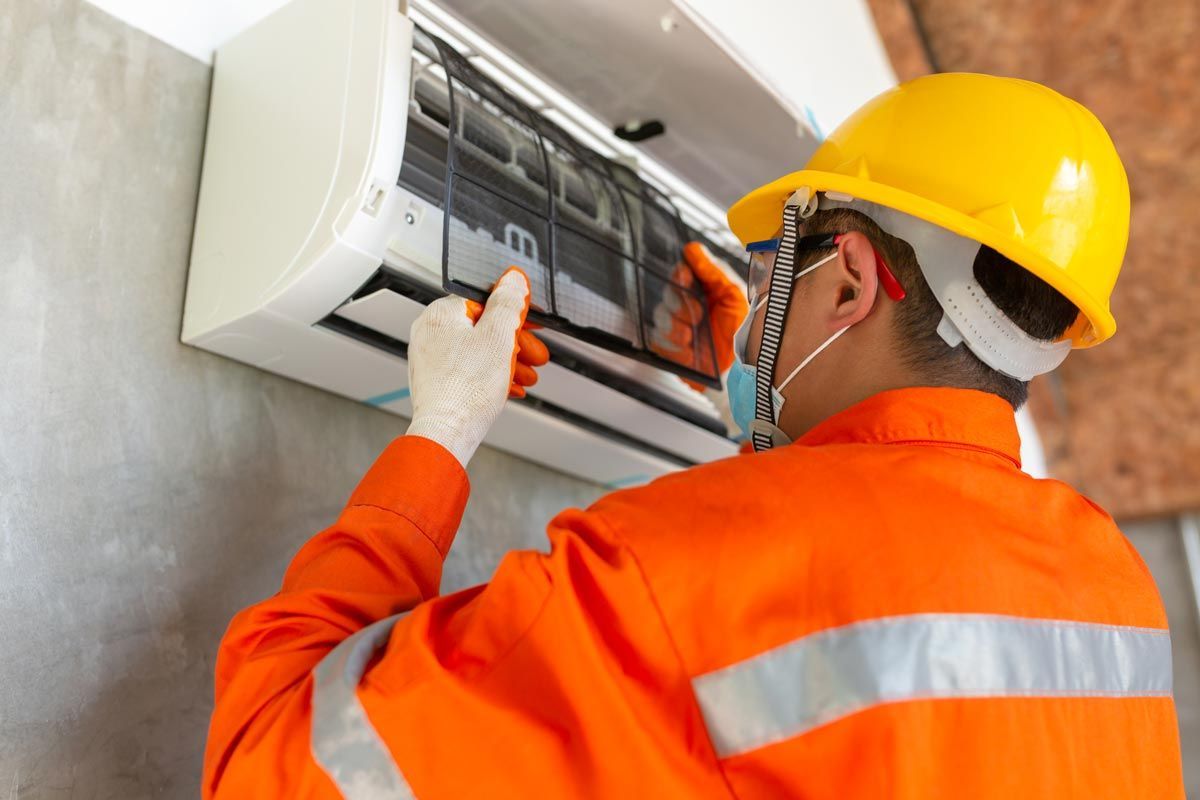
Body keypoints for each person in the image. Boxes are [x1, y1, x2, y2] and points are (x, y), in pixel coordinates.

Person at [203, 73, 1185, 799]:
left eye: (778, 264)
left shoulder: (660, 573)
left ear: (846, 280)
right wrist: (760, 385)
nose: (761, 294)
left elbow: (271, 766)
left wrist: (438, 437)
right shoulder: (1111, 592)